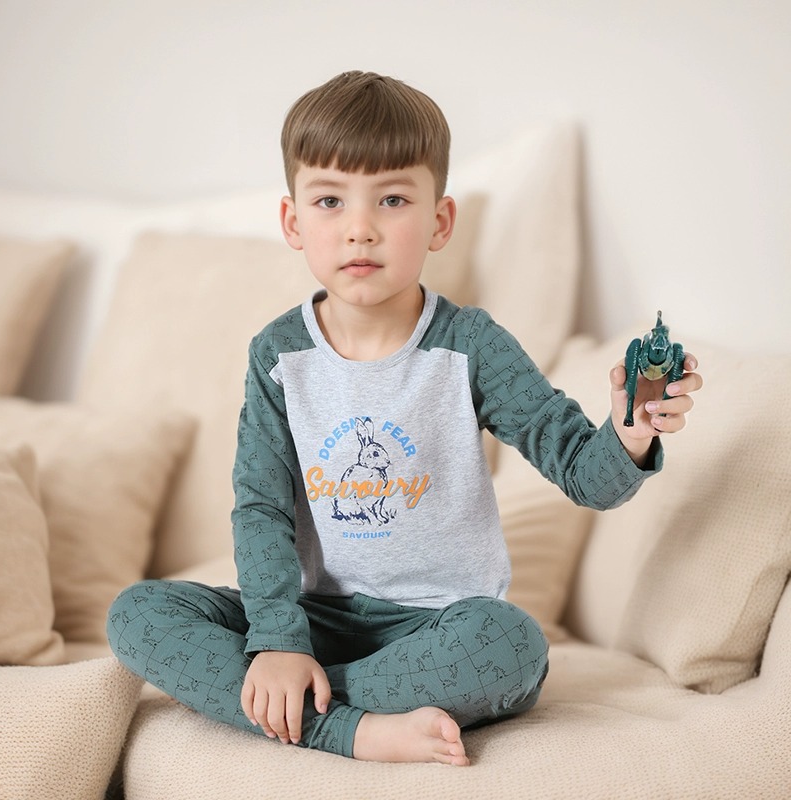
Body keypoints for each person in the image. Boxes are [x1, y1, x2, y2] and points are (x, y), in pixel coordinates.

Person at [107, 71, 702, 767]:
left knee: (512, 646)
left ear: (440, 221)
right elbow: (260, 506)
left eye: (392, 199)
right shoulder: (279, 355)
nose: (359, 228)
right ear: (294, 222)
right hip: (309, 618)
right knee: (137, 614)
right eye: (330, 200)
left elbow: (584, 474)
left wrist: (631, 434)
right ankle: (351, 729)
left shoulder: (471, 346)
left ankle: (306, 707)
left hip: (436, 625)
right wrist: (276, 642)